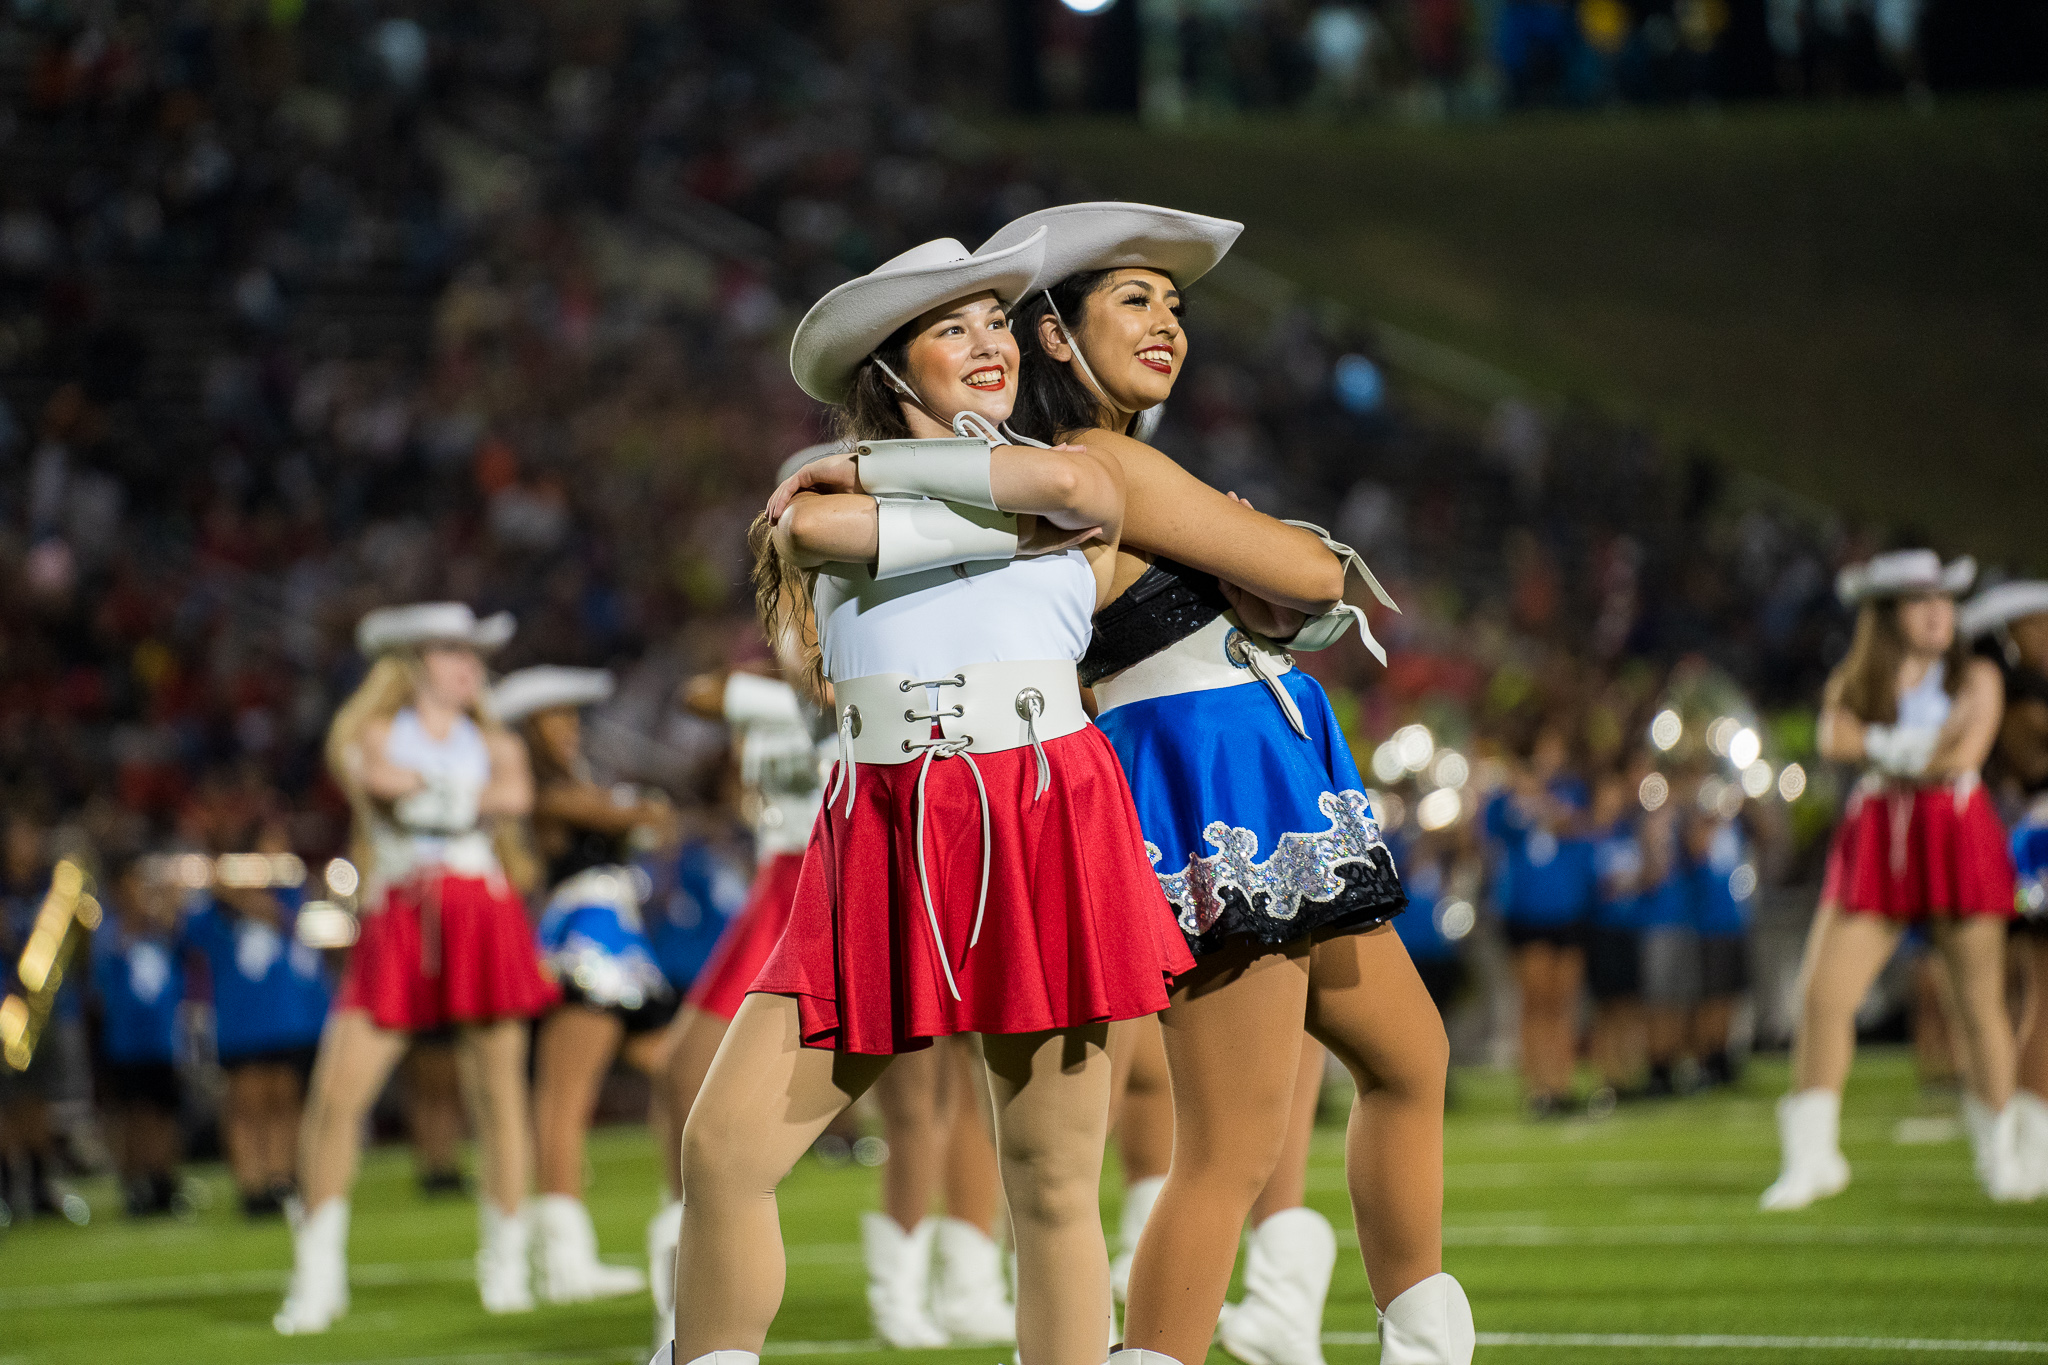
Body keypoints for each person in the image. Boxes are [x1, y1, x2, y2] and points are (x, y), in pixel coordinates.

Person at [662, 230, 1193, 1365]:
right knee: (721, 1152)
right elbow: (812, 529)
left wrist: (869, 468)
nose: (989, 344)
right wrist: (942, 497)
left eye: (996, 321)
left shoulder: (1053, 468)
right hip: (886, 821)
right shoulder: (830, 509)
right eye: (951, 328)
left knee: (1050, 1181)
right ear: (890, 369)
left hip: (1042, 806)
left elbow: (1069, 484)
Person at [984, 201, 1469, 1365]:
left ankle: (1421, 1340)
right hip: (1214, 793)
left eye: (1175, 306)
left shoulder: (1109, 463)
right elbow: (1306, 570)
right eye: (1132, 301)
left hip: (1262, 775)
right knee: (1231, 1149)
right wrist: (1263, 541)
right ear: (1053, 336)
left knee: (1409, 1062)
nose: (1166, 324)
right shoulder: (1101, 461)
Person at [274, 603, 558, 1333]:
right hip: (401, 915)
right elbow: (381, 781)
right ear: (416, 661)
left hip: (480, 912)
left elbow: (514, 795)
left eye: (474, 655)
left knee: (500, 1098)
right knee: (338, 1094)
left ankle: (506, 1266)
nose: (470, 667)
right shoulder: (372, 729)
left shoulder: (492, 737)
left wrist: (434, 793)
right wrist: (459, 797)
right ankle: (317, 1274)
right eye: (453, 652)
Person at [1762, 551, 2027, 1209]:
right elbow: (1834, 736)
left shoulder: (1979, 672)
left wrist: (1885, 746)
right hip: (1880, 831)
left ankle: (2001, 1154)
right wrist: (1905, 748)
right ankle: (1813, 1157)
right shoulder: (1859, 677)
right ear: (1885, 613)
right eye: (1920, 600)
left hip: (1955, 829)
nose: (1939, 612)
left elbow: (1964, 753)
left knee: (1977, 1004)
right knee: (1824, 995)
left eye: (1945, 599)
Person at [500, 664, 678, 1304]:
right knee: (564, 1101)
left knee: (681, 1069)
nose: (569, 728)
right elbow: (630, 816)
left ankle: (684, 1217)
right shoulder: (541, 790)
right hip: (584, 941)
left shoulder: (579, 782)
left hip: (625, 939)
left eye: (573, 717)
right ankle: (564, 1261)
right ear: (528, 730)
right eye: (555, 718)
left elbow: (648, 818)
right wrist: (633, 809)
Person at [179, 830, 332, 1217]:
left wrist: (240, 894)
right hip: (240, 1023)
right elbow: (185, 937)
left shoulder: (289, 897)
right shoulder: (214, 911)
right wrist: (221, 890)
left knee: (284, 1098)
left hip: (288, 1021)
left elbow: (304, 928)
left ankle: (282, 1177)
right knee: (246, 1104)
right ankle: (252, 1185)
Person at [1961, 579, 2048, 1195]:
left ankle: (2025, 1136)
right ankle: (2027, 1140)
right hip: (2038, 843)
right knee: (2040, 1000)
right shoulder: (2011, 693)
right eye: (2037, 623)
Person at [1483, 719, 1594, 1116]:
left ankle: (1560, 1084)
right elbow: (1491, 828)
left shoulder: (1572, 792)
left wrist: (1538, 795)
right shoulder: (1507, 798)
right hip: (1526, 911)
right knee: (1534, 1001)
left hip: (1569, 909)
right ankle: (1536, 1087)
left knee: (1563, 1002)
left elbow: (1578, 823)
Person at [91, 855, 188, 1218]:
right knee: (133, 1115)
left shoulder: (163, 929)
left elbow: (184, 944)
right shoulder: (108, 928)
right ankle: (135, 1184)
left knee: (164, 1114)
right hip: (126, 1042)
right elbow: (100, 977)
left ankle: (163, 1180)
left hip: (163, 1039)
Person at [1586, 766, 1649, 1102]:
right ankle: (1606, 1075)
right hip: (1601, 930)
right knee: (1606, 1008)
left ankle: (1627, 1074)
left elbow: (1649, 876)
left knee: (1629, 1005)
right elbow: (1589, 884)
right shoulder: (1590, 838)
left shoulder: (1629, 834)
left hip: (1629, 928)